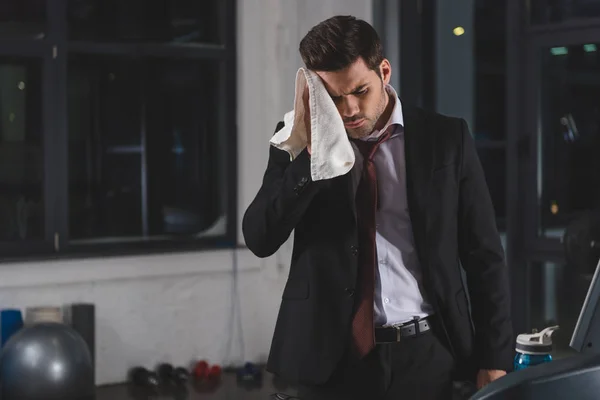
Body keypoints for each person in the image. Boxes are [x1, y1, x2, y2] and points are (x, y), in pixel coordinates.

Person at [243, 15, 513, 400]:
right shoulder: (296, 139)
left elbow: (484, 256)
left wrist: (494, 356)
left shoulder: (446, 140)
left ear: (384, 71)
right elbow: (260, 237)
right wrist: (310, 154)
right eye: (334, 97)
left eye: (359, 90)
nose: (349, 108)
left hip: (428, 351)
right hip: (330, 358)